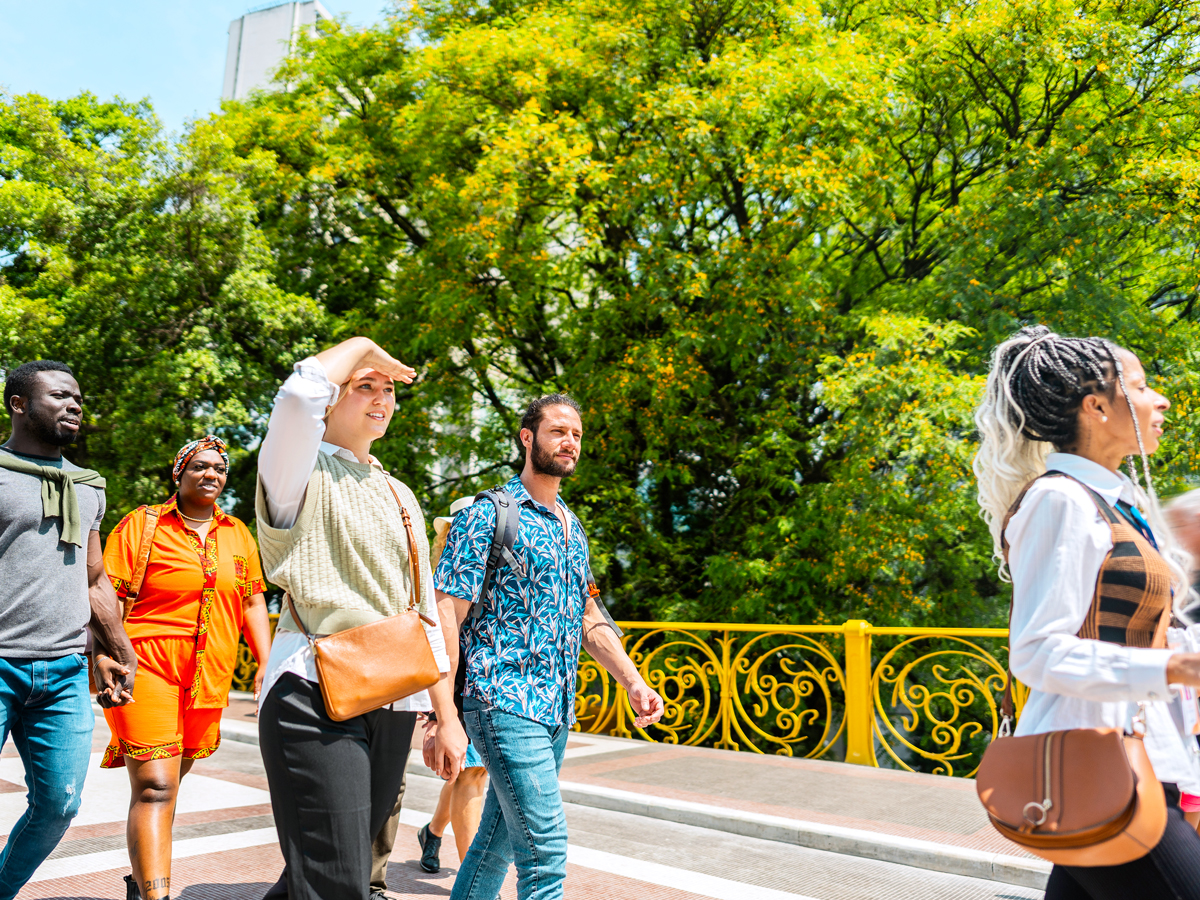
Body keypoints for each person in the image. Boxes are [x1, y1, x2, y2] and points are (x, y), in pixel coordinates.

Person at [974, 325, 1200, 899]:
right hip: (1099, 767)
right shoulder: (1061, 501)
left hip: (1131, 763)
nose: (1161, 400)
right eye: (1143, 386)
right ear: (1097, 407)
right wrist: (1170, 671)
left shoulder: (1113, 502)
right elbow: (1036, 649)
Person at [255, 337, 467, 900]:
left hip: (392, 696)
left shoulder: (400, 493)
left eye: (389, 389)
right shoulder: (296, 470)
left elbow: (424, 611)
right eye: (364, 385)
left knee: (325, 869)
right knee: (340, 877)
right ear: (333, 399)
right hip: (314, 688)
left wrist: (445, 717)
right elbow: (299, 396)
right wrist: (365, 347)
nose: (381, 398)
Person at [432, 393, 666, 900]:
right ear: (527, 438)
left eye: (577, 434)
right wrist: (442, 717)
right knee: (545, 851)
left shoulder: (570, 526)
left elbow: (587, 617)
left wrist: (633, 680)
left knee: (497, 843)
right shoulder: (487, 515)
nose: (569, 442)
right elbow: (446, 615)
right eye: (558, 431)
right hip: (501, 700)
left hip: (556, 707)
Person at [102, 435, 273, 900]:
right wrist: (103, 657)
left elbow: (253, 600)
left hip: (209, 675)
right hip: (145, 665)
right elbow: (106, 596)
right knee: (156, 785)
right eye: (200, 466)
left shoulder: (238, 532)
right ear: (178, 474)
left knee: (169, 783)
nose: (211, 474)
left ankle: (142, 877)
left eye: (219, 468)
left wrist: (266, 662)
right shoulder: (143, 524)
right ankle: (156, 894)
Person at [0, 360, 137, 900]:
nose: (75, 405)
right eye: (59, 396)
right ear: (18, 404)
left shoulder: (87, 487)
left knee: (60, 803)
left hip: (62, 676)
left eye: (78, 398)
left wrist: (115, 648)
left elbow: (95, 577)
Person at [368, 496, 488, 891]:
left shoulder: (505, 570)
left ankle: (433, 832)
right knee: (470, 773)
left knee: (471, 774)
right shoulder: (434, 575)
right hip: (448, 687)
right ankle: (474, 886)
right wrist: (440, 714)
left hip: (489, 686)